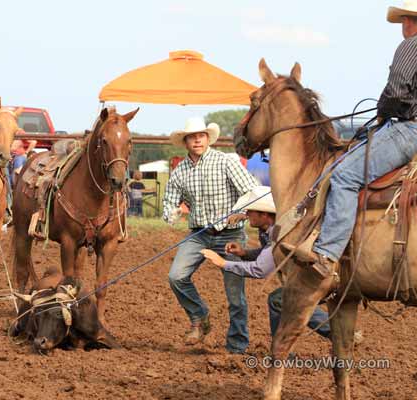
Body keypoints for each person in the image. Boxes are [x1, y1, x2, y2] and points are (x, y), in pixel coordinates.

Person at [284, 2, 417, 278]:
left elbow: (396, 91)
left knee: (343, 174)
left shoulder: (410, 46)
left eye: (404, 20)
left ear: (409, 21)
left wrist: (383, 110)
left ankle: (327, 254)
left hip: (408, 130)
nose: (403, 26)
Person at [163, 117, 258, 353]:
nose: (197, 139)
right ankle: (199, 316)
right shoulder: (179, 171)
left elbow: (251, 191)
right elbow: (168, 203)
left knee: (235, 296)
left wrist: (242, 212)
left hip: (230, 236)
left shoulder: (225, 162)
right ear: (185, 142)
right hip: (199, 234)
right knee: (176, 276)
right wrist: (172, 213)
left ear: (207, 138)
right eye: (192, 136)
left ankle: (237, 346)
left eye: (201, 135)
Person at [201, 186, 332, 339]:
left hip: (317, 278)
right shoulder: (270, 229)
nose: (246, 214)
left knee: (283, 299)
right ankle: (337, 333)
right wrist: (244, 253)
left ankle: (337, 333)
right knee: (286, 299)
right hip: (310, 278)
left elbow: (260, 269)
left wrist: (223, 263)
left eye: (250, 211)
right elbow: (268, 253)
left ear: (264, 214)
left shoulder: (280, 231)